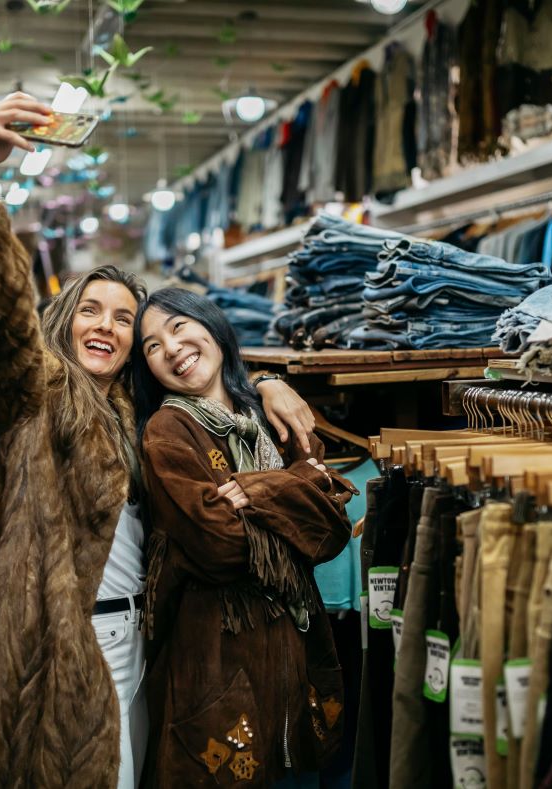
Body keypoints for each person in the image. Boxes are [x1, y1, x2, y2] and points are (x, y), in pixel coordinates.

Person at [0, 93, 317, 789]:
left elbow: (205, 379)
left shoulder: (139, 413)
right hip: (65, 651)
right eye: (92, 310)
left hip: (147, 645)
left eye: (126, 321)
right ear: (62, 320)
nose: (109, 327)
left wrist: (262, 381)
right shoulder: (36, 397)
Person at [133, 287, 357, 787]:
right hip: (219, 664)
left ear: (212, 326)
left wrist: (251, 490)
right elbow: (221, 546)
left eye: (178, 327)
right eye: (151, 345)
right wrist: (298, 490)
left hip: (299, 656)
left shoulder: (270, 414)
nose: (171, 348)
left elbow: (329, 529)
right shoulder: (167, 433)